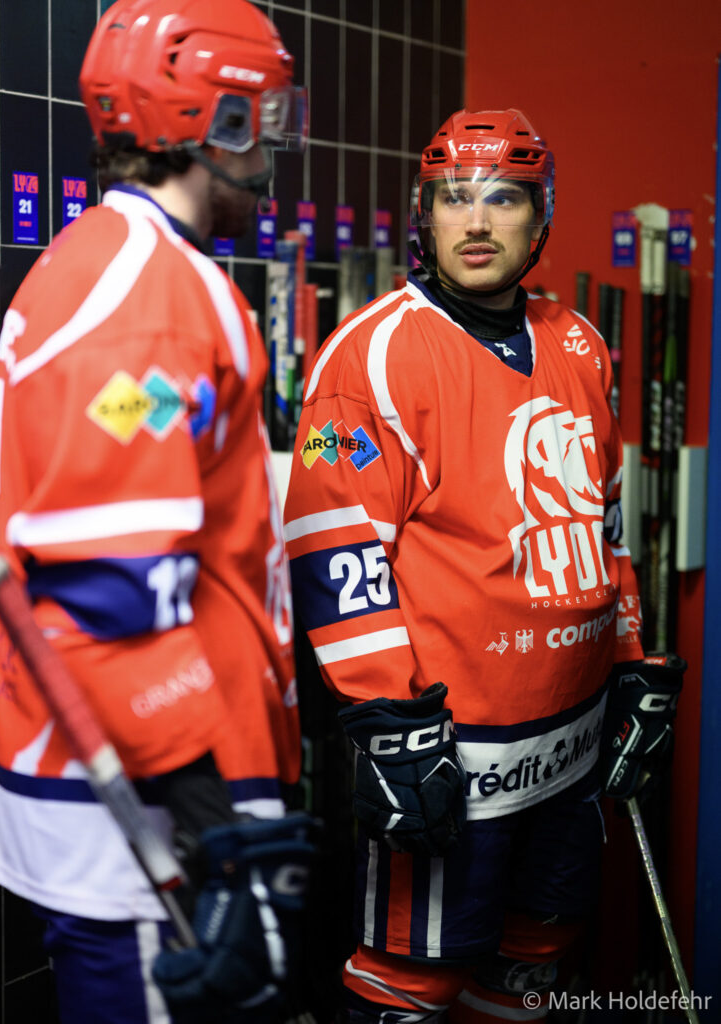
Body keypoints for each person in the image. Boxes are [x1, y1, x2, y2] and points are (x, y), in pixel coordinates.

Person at [0, 2, 316, 1021]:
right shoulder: (145, 299)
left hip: (120, 795)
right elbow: (110, 595)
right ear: (221, 121)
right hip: (141, 822)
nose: (279, 145)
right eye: (267, 115)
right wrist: (216, 822)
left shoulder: (107, 263)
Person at [283, 108, 684, 1023]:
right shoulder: (374, 354)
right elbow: (332, 546)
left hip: (569, 747)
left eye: (502, 197)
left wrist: (627, 666)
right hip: (452, 756)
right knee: (414, 979)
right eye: (451, 198)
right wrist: (387, 717)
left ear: (539, 219)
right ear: (421, 216)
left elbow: (602, 525)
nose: (475, 220)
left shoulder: (580, 343)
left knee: (534, 960)